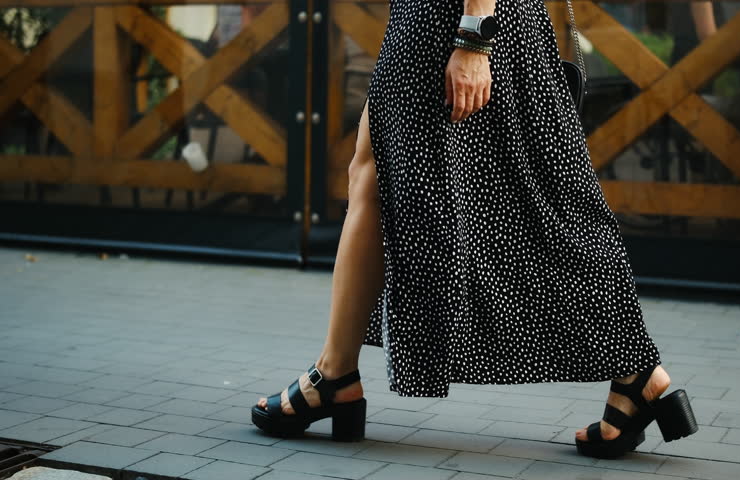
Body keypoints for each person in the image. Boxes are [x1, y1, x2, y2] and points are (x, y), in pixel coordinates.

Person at [251, 0, 698, 458]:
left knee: (540, 206)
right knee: (382, 176)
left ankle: (335, 376)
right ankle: (335, 372)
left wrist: (473, 37)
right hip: (464, 23)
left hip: (455, 24)